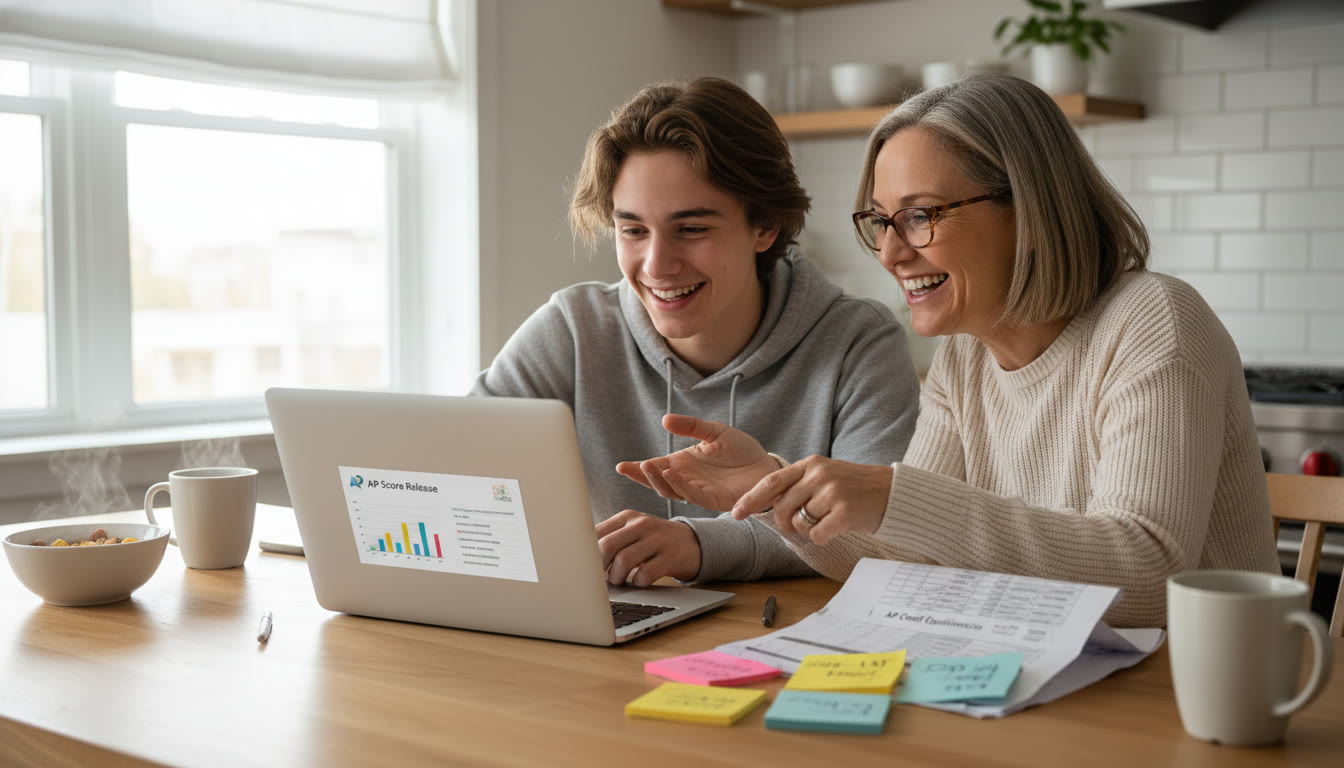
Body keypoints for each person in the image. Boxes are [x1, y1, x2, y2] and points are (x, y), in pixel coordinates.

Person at [617, 73, 1279, 627]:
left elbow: (1149, 574)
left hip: (1199, 697)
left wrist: (893, 495)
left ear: (1030, 209)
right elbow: (907, 556)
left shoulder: (1152, 321)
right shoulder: (966, 358)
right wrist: (776, 491)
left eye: (921, 214)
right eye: (880, 220)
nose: (891, 251)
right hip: (1065, 674)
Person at [471, 77, 921, 587]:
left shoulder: (858, 343)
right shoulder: (572, 330)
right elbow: (456, 465)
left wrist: (700, 545)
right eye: (633, 230)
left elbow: (875, 531)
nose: (657, 265)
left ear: (765, 226)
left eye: (691, 229)